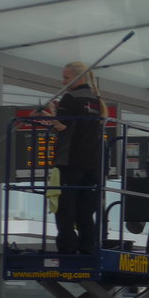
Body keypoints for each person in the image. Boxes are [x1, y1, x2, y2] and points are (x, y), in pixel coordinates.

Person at [45, 62, 104, 254]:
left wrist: (49, 116)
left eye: (66, 77)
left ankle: (68, 247)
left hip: (70, 160)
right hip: (93, 163)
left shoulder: (69, 98)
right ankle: (89, 247)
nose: (63, 81)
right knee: (85, 210)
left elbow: (63, 127)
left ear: (79, 78)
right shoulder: (97, 100)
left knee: (65, 207)